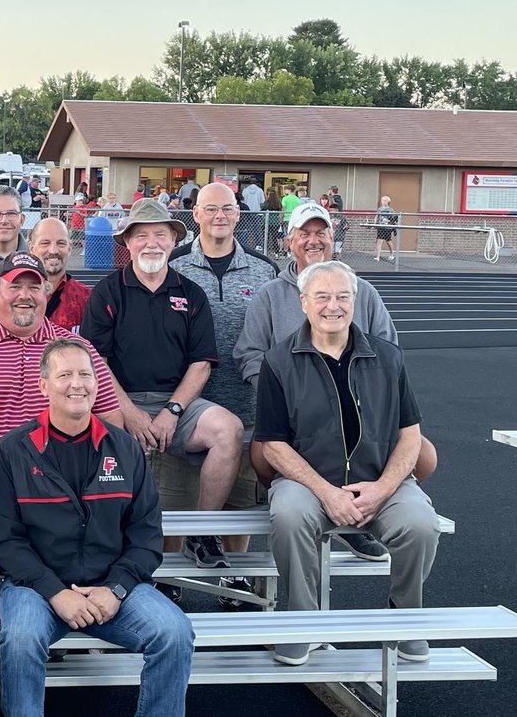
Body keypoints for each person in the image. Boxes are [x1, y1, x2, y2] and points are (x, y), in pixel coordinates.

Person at [0, 339, 194, 716]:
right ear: (44, 385)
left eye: (85, 374)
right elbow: (5, 540)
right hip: (36, 588)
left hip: (111, 586)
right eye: (64, 375)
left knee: (175, 632)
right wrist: (56, 593)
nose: (76, 384)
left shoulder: (125, 449)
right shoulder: (13, 451)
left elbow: (146, 536)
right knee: (19, 640)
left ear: (98, 383)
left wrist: (114, 590)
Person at [255, 261, 439, 666]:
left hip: (379, 479)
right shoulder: (278, 361)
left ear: (355, 301)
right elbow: (272, 444)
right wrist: (325, 491)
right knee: (288, 513)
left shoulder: (388, 357)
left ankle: (405, 617)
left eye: (342, 296)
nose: (332, 306)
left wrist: (383, 489)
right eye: (321, 296)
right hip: (308, 482)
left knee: (421, 523)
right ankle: (303, 621)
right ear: (303, 303)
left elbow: (410, 436)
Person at [234, 200, 438, 560]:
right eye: (305, 233)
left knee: (424, 454)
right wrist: (282, 387)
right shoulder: (269, 296)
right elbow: (250, 353)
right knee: (265, 453)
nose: (314, 240)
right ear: (289, 240)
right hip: (295, 414)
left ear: (332, 237)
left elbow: (388, 355)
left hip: (359, 412)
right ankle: (314, 506)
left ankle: (369, 511)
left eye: (321, 232)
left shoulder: (364, 292)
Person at [80, 197, 244, 576]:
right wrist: (130, 413)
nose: (151, 243)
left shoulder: (191, 293)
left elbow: (201, 364)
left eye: (160, 235)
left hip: (178, 403)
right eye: (142, 236)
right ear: (128, 242)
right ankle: (103, 537)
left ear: (173, 241)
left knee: (228, 429)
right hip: (118, 400)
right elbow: (96, 364)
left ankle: (202, 533)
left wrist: (172, 412)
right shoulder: (106, 292)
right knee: (93, 437)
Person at [166, 183, 278, 607]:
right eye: (210, 208)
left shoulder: (263, 268)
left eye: (227, 208)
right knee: (176, 498)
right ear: (195, 214)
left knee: (239, 503)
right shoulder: (176, 265)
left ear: (238, 214)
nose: (219, 216)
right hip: (188, 406)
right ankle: (169, 580)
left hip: (246, 404)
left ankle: (234, 581)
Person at [0, 251, 121, 468]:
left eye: (34, 287)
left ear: (46, 294)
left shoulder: (79, 350)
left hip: (60, 486)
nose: (24, 295)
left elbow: (111, 421)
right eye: (14, 286)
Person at [0, 217, 90, 334]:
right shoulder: (5, 293)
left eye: (61, 243)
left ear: (70, 248)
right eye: (45, 243)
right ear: (32, 248)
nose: (53, 250)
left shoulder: (85, 297)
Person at [375, 195, 398, 261]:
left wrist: (391, 222)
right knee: (379, 241)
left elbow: (393, 219)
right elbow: (376, 216)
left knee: (388, 241)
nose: (382, 202)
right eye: (382, 200)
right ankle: (378, 256)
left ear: (386, 202)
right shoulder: (380, 209)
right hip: (381, 227)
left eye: (383, 201)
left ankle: (391, 253)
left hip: (388, 228)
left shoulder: (390, 210)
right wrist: (375, 223)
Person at [264, 187, 284, 257]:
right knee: (274, 237)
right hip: (275, 222)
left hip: (267, 222)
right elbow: (281, 209)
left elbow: (262, 208)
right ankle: (276, 251)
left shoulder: (267, 203)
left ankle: (265, 251)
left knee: (266, 236)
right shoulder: (278, 202)